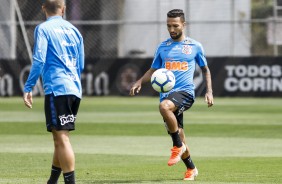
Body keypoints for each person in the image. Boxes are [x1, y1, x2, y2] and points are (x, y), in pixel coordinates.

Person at [129, 9, 213, 181]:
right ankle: (191, 168)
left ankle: (176, 146)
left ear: (184, 24)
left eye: (175, 25)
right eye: (169, 26)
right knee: (180, 134)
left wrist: (209, 91)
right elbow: (153, 70)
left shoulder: (194, 47)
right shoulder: (162, 47)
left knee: (163, 107)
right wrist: (139, 81)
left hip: (185, 93)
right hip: (167, 96)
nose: (172, 29)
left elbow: (205, 70)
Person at [23, 0, 84, 183]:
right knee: (60, 137)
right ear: (63, 9)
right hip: (74, 89)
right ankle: (52, 181)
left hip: (57, 89)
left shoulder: (43, 29)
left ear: (43, 8)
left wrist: (28, 86)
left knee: (62, 139)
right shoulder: (75, 31)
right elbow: (80, 64)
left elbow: (39, 59)